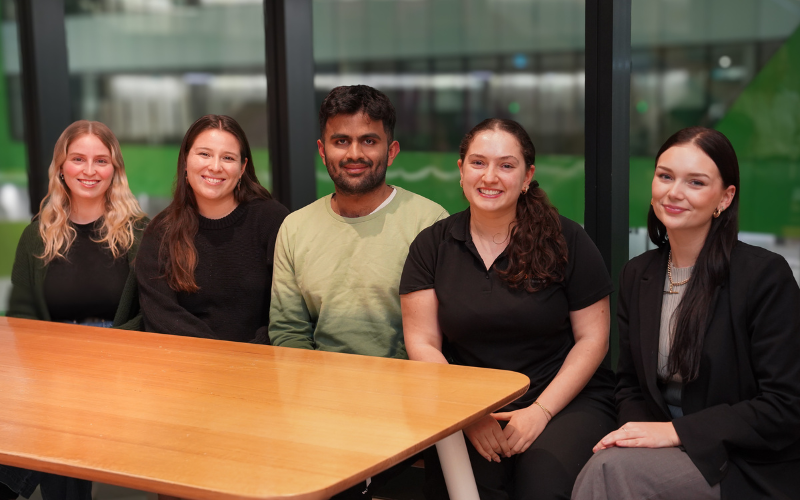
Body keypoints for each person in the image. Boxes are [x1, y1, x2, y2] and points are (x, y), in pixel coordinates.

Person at [572, 127, 800, 500]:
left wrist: (675, 434)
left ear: (724, 198)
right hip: (667, 447)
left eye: (696, 182)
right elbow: (630, 383)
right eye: (665, 176)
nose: (674, 192)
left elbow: (786, 405)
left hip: (744, 461)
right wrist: (638, 435)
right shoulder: (638, 273)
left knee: (609, 472)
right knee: (607, 463)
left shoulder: (762, 275)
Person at [400, 118, 617, 500]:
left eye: (507, 165)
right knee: (467, 487)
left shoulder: (568, 240)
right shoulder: (431, 245)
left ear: (528, 175)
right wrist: (467, 415)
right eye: (478, 162)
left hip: (563, 399)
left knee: (542, 484)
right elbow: (422, 343)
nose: (490, 177)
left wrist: (542, 412)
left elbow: (593, 339)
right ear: (461, 170)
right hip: (468, 405)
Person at [268, 85, 447, 496]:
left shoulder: (429, 223)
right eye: (341, 141)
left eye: (369, 140)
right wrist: (316, 408)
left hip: (407, 405)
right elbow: (288, 334)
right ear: (321, 148)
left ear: (392, 149)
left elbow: (440, 336)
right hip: (318, 407)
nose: (354, 154)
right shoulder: (295, 228)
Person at [1, 120, 147, 500]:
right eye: (78, 159)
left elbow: (152, 313)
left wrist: (102, 349)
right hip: (51, 370)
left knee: (54, 421)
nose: (89, 170)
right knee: (55, 418)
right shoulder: (36, 235)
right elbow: (21, 317)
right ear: (61, 168)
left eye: (101, 160)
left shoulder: (141, 234)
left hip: (117, 369)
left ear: (114, 169)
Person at [136, 114, 288, 343]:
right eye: (204, 154)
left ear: (242, 167)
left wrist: (249, 358)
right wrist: (220, 359)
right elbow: (162, 317)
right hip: (188, 364)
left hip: (260, 363)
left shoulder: (271, 220)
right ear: (186, 160)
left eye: (228, 158)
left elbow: (288, 308)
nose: (215, 167)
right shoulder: (161, 231)